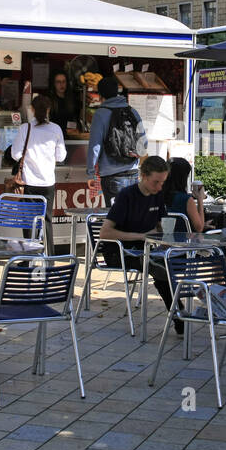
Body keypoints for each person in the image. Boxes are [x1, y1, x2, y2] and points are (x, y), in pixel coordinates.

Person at [98, 156, 181, 333]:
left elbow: (160, 225)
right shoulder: (126, 196)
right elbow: (105, 233)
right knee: (158, 266)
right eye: (155, 182)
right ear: (143, 175)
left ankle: (183, 311)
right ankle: (179, 315)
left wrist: (165, 238)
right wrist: (141, 236)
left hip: (144, 249)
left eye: (162, 183)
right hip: (119, 251)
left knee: (174, 261)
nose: (159, 187)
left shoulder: (157, 195)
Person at [10, 94, 67, 254]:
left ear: (32, 110)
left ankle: (30, 258)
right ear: (48, 110)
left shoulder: (25, 128)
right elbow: (61, 156)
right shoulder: (55, 129)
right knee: (47, 220)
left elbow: (15, 154)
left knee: (29, 222)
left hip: (28, 183)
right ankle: (49, 258)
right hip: (48, 183)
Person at [87, 74, 148, 205]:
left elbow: (95, 147)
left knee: (116, 220)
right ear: (117, 91)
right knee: (132, 217)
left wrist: (91, 173)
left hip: (112, 176)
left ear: (100, 94)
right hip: (133, 173)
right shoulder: (132, 111)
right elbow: (144, 143)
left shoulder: (100, 114)